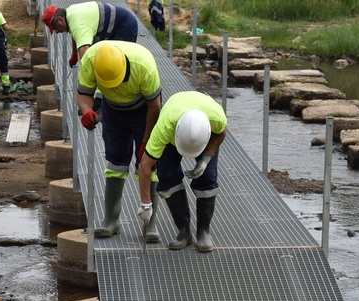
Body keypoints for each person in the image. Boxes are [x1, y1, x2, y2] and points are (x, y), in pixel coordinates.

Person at [77, 40, 161, 241]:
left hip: (144, 110)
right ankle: (111, 220)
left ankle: (150, 224)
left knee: (148, 164)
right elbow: (84, 95)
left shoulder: (143, 66)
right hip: (112, 110)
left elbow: (155, 107)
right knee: (115, 161)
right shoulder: (90, 60)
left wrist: (146, 142)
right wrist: (87, 111)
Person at [137, 91, 227, 252]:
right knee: (167, 178)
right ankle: (184, 232)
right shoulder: (164, 127)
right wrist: (145, 204)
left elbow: (221, 133)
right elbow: (145, 165)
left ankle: (203, 232)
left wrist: (205, 159)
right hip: (172, 131)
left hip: (204, 135)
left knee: (207, 179)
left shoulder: (216, 118)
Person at [41, 2, 138, 68]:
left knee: (120, 64)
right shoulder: (70, 13)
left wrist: (86, 78)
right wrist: (74, 55)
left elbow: (85, 51)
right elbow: (76, 35)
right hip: (117, 25)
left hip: (125, 26)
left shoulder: (78, 25)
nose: (58, 31)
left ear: (60, 20)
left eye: (56, 28)